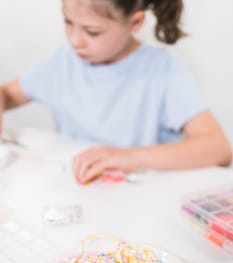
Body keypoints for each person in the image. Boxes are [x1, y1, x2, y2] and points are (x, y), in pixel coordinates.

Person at [0, 0, 231, 184]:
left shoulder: (162, 68)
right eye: (68, 22)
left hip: (141, 202)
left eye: (92, 32)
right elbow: (7, 94)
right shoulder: (63, 61)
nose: (75, 40)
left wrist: (128, 156)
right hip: (81, 195)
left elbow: (218, 148)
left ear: (135, 22)